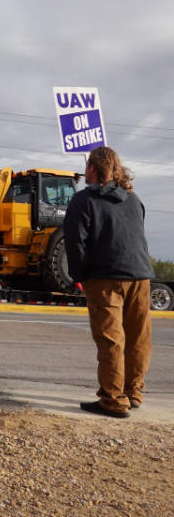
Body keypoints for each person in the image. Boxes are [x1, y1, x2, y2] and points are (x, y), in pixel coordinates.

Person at [64, 146, 154, 419]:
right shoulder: (132, 198)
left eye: (87, 167)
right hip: (140, 276)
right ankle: (133, 393)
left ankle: (114, 401)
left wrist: (80, 276)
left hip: (105, 279)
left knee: (111, 340)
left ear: (92, 168)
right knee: (138, 338)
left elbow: (74, 242)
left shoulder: (83, 201)